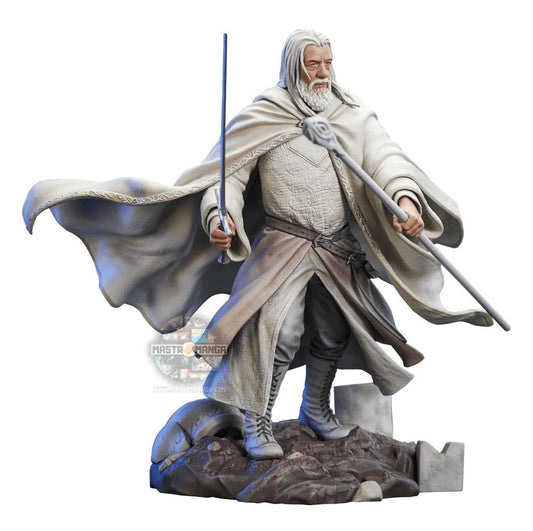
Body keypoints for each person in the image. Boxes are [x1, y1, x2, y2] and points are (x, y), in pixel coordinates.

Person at [23, 29, 492, 461]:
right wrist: (219, 215)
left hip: (335, 249)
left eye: (328, 63)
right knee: (278, 334)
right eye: (313, 65)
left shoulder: (351, 115)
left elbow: (386, 160)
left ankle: (315, 410)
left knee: (333, 333)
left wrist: (404, 198)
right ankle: (256, 422)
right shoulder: (267, 114)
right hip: (281, 249)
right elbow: (227, 175)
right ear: (293, 67)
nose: (322, 73)